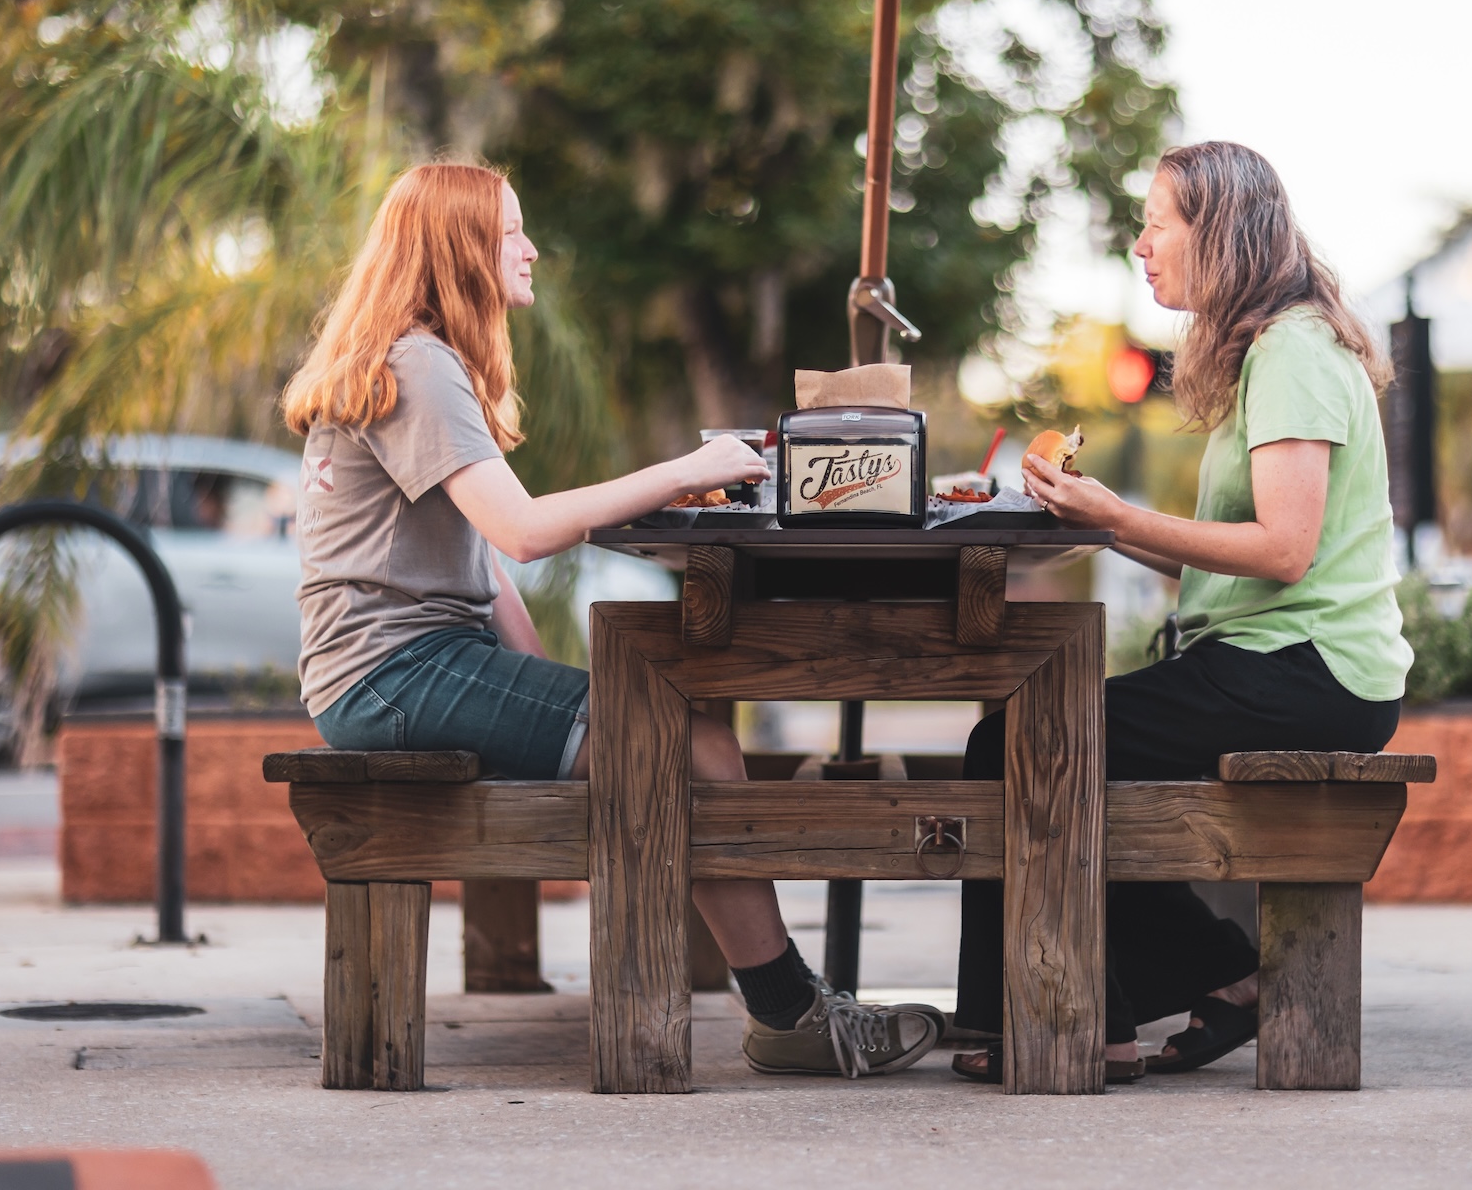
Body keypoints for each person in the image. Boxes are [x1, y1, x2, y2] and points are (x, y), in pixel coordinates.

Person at [281, 161, 941, 1078]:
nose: (531, 247)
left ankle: (786, 1007)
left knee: (665, 737)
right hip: (393, 675)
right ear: (459, 247)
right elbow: (519, 534)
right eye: (512, 231)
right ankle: (792, 1015)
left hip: (403, 667)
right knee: (693, 748)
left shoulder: (415, 359)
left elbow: (481, 569)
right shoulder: (418, 364)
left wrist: (559, 704)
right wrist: (684, 468)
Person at [949, 140, 1413, 1085]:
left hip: (1306, 669)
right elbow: (1237, 558)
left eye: (1157, 221)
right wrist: (1103, 523)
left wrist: (1117, 516)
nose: (1140, 243)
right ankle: (1189, 990)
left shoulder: (1292, 349)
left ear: (1220, 233)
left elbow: (1285, 551)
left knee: (1015, 746)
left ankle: (1077, 1020)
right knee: (1033, 745)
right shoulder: (1274, 350)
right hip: (1278, 661)